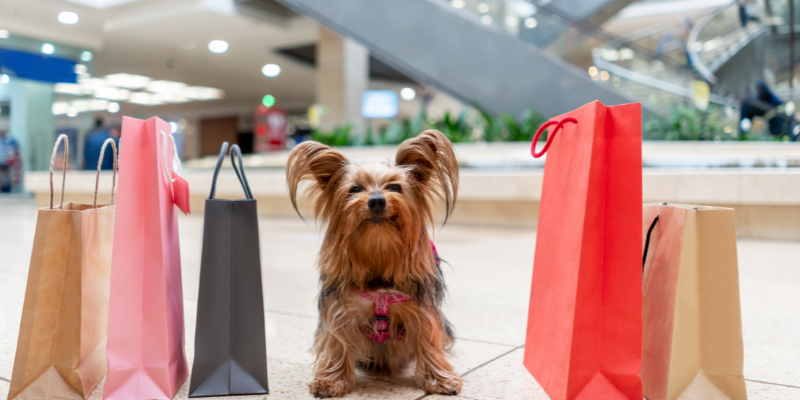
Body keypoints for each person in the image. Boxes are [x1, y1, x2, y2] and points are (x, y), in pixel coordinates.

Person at [0, 121, 22, 193]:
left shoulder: (9, 141)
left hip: (6, 162)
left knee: (7, 176)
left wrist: (9, 159)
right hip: (4, 161)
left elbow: (12, 151)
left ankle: (6, 188)